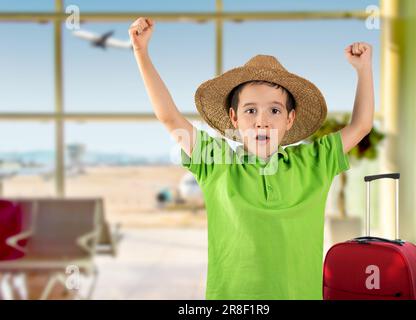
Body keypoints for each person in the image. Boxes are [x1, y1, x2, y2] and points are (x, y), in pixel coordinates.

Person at [129, 17, 374, 299]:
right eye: (250, 111)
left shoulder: (314, 161)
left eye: (274, 111)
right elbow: (170, 117)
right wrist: (141, 52)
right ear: (234, 118)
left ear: (290, 119)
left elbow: (361, 126)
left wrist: (363, 70)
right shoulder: (215, 162)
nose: (262, 122)